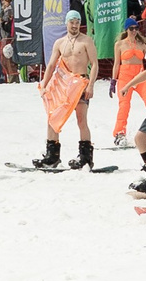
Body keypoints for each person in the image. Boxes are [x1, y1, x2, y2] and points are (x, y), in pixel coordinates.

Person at [35, 9, 98, 169]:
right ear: (67, 23)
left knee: (81, 120)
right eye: (72, 22)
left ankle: (86, 158)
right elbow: (51, 65)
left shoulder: (86, 41)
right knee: (52, 117)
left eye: (77, 22)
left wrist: (91, 85)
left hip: (80, 83)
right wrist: (44, 84)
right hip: (64, 85)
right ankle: (52, 156)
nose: (75, 25)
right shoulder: (60, 43)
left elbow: (95, 64)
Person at [110, 20, 146, 147]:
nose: (134, 31)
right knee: (124, 105)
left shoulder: (142, 45)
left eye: (136, 28)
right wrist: (113, 80)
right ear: (126, 30)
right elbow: (117, 63)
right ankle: (119, 133)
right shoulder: (119, 44)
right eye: (131, 29)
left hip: (140, 76)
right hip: (125, 76)